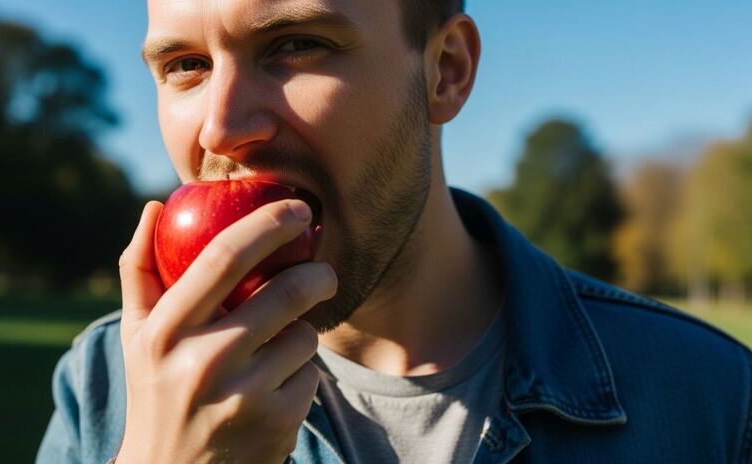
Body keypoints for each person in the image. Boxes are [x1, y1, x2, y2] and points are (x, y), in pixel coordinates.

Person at [37, 1, 752, 463]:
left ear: (444, 71)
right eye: (185, 66)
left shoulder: (709, 400)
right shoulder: (107, 384)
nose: (222, 125)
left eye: (295, 45)